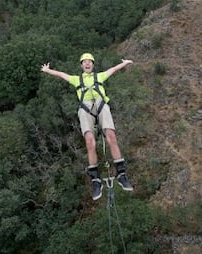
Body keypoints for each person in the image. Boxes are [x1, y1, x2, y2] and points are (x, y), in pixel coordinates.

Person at [41, 53, 133, 200]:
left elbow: (113, 70)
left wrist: (124, 63)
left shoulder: (100, 76)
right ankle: (96, 180)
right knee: (90, 141)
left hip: (101, 105)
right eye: (84, 62)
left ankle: (121, 174)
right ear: (81, 66)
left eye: (90, 62)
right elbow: (61, 75)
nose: (87, 64)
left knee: (111, 136)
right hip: (85, 108)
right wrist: (47, 71)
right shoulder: (77, 79)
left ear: (93, 65)